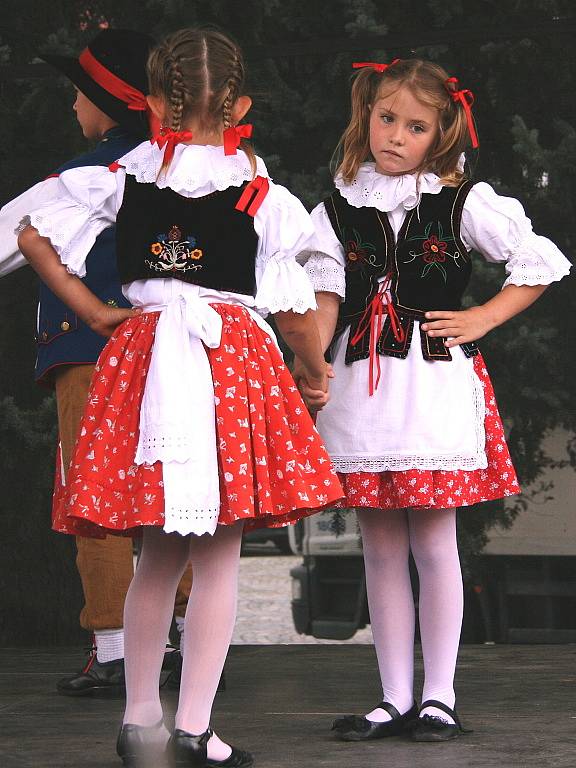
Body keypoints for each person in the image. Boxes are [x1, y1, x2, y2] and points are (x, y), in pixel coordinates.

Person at [18, 26, 342, 768]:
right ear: (243, 104)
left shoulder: (122, 171)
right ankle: (194, 728)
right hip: (229, 364)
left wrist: (95, 311)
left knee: (157, 558)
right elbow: (293, 304)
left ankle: (140, 724)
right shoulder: (261, 192)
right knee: (219, 558)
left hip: (143, 358)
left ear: (153, 106)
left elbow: (36, 235)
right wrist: (314, 371)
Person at [297, 58, 571, 743]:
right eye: (386, 118)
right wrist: (313, 367)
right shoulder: (335, 207)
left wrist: (482, 317)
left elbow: (538, 262)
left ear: (439, 133)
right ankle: (393, 695)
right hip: (361, 386)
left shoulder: (461, 199)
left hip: (434, 383)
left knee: (434, 539)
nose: (395, 135)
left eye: (414, 126)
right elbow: (324, 298)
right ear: (366, 115)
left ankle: (439, 693)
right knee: (380, 546)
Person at [0, 28, 194, 695]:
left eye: (76, 96)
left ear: (104, 105)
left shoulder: (82, 178)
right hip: (178, 354)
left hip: (93, 356)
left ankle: (115, 650)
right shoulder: (199, 166)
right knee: (175, 490)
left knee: (97, 495)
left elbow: (6, 242)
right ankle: (178, 644)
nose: (70, 110)